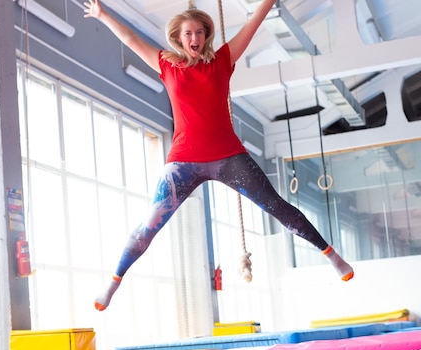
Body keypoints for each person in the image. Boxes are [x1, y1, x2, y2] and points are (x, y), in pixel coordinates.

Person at [83, 0, 354, 311]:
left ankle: (331, 255)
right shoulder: (167, 65)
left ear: (206, 35)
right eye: (188, 33)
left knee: (276, 205)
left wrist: (268, 2)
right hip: (183, 162)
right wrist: (103, 15)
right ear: (179, 37)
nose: (194, 38)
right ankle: (114, 282)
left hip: (229, 156)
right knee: (151, 224)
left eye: (199, 32)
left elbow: (252, 26)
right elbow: (131, 39)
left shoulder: (222, 60)